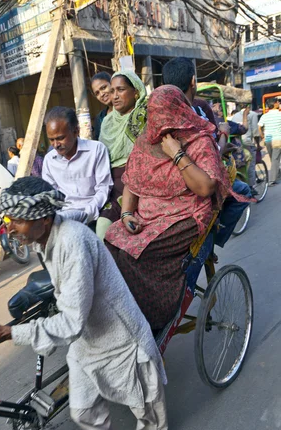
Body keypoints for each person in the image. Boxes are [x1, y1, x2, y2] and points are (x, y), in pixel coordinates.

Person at [0, 177, 168, 430]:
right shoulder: (44, 241)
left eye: (18, 221)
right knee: (81, 410)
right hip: (86, 339)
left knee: (143, 399)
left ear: (45, 219)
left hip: (118, 334)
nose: (11, 228)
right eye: (10, 220)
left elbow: (72, 321)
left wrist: (9, 333)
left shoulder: (73, 242)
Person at [105, 85, 239, 334]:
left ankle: (151, 318)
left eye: (166, 113)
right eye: (156, 114)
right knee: (110, 243)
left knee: (135, 254)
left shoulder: (198, 140)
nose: (161, 121)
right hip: (147, 217)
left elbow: (205, 187)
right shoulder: (147, 140)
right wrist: (125, 214)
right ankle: (121, 314)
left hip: (184, 216)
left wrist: (177, 153)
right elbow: (132, 182)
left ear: (178, 110)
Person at [161, 57, 251, 248]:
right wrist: (224, 137)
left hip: (176, 179)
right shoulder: (198, 111)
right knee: (243, 190)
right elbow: (211, 152)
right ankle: (213, 241)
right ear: (193, 81)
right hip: (197, 178)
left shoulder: (161, 114)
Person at [97, 71, 148, 239]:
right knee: (102, 229)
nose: (115, 96)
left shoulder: (146, 116)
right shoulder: (107, 122)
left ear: (136, 92)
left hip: (142, 182)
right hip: (113, 185)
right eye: (112, 91)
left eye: (121, 90)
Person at [42, 107, 112, 225]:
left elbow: (103, 187)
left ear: (76, 131)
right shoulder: (49, 160)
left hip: (94, 213)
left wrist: (87, 213)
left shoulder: (96, 150)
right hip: (63, 217)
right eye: (51, 140)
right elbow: (50, 195)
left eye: (60, 138)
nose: (55, 145)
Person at [231, 106, 260, 190]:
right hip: (246, 142)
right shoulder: (253, 114)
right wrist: (258, 144)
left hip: (234, 143)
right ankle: (251, 188)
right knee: (251, 165)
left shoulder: (235, 115)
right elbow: (255, 131)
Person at [258, 98, 281, 186]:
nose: (279, 103)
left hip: (268, 139)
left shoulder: (265, 115)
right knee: (275, 159)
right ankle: (271, 180)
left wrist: (262, 136)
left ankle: (277, 174)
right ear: (275, 104)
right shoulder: (279, 114)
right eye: (278, 102)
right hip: (277, 139)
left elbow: (259, 127)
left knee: (273, 158)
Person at [91, 71, 113, 140]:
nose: (101, 94)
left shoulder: (127, 109)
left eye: (103, 88)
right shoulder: (100, 118)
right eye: (97, 93)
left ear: (112, 84)